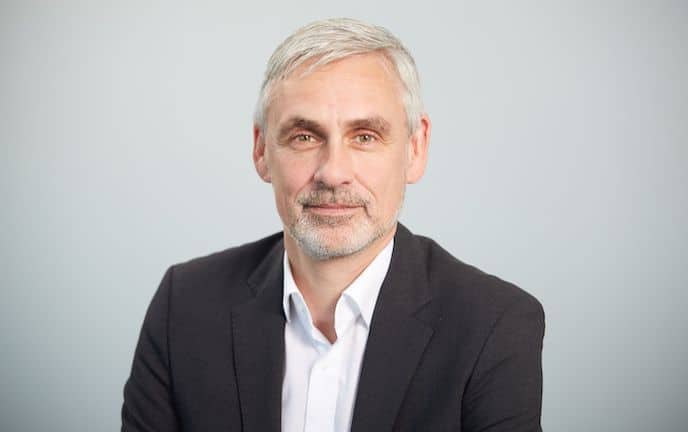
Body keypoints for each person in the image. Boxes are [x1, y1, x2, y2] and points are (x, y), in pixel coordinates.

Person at [122, 18, 545, 432]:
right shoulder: (184, 306)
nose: (333, 173)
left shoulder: (493, 325)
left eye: (365, 136)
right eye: (305, 137)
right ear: (261, 150)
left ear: (415, 149)